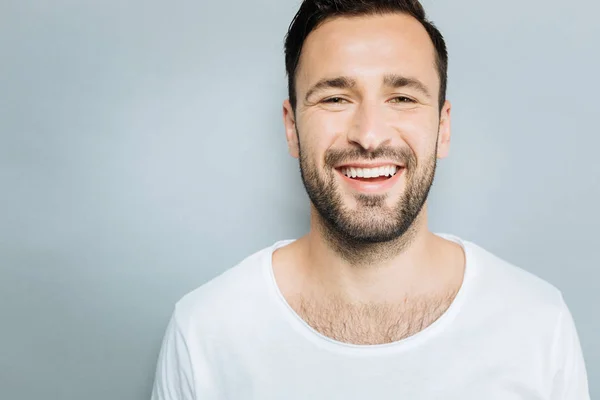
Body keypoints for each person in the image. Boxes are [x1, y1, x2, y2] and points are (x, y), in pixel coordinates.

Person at [151, 0, 590, 398]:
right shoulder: (205, 332)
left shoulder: (536, 324)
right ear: (291, 128)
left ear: (443, 127)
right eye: (336, 98)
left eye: (401, 98)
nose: (369, 135)